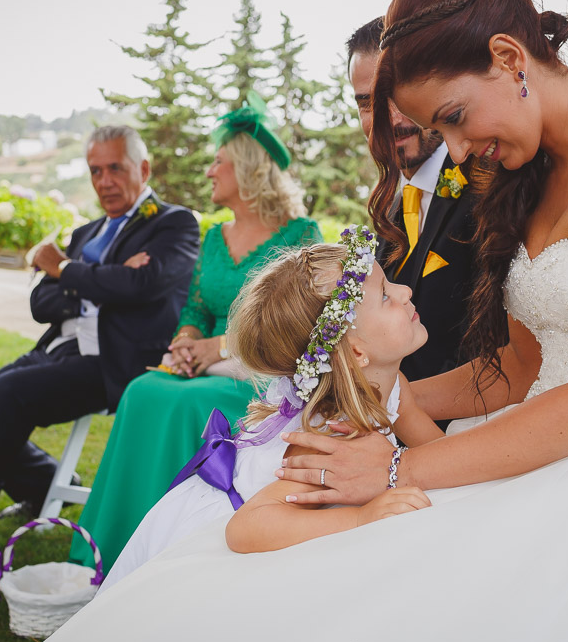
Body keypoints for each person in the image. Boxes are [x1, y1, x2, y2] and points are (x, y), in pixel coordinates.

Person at [0, 0, 568, 642]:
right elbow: (519, 372)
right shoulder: (530, 174)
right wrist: (356, 396)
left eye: (453, 118)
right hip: (536, 452)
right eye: (439, 131)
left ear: (508, 56)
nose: (456, 150)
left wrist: (391, 472)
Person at [0, 125, 200, 560]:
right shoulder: (87, 232)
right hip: (59, 350)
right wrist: (100, 281)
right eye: (94, 171)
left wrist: (65, 270)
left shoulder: (174, 223)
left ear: (142, 169)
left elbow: (141, 285)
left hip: (113, 362)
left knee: (9, 394)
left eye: (115, 169)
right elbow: (40, 301)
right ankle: (43, 484)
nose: (103, 181)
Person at [98, 229, 440, 593]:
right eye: (386, 296)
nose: (406, 292)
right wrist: (361, 517)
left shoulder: (393, 386)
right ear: (357, 353)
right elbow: (246, 528)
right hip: (223, 533)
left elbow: (436, 454)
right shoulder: (327, 436)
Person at [70, 93, 322, 573]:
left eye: (218, 162)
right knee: (143, 390)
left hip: (265, 374)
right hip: (206, 365)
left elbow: (298, 321)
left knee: (185, 402)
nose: (209, 171)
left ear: (247, 169)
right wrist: (187, 341)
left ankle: (174, 554)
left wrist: (220, 347)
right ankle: (115, 546)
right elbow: (196, 309)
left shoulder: (300, 234)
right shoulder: (212, 238)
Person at [348, 18, 481, 385]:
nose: (389, 119)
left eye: (398, 96)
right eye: (367, 102)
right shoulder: (389, 208)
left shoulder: (487, 188)